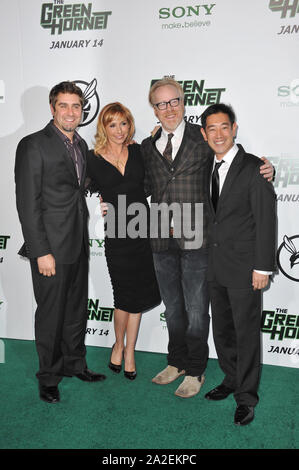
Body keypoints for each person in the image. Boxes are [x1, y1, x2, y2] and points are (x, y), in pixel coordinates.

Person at [141, 78, 274, 399]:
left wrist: (264, 167)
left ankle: (197, 370)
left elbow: (231, 161)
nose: (169, 108)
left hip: (199, 240)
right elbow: (141, 185)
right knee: (173, 309)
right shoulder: (147, 146)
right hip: (161, 240)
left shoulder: (204, 139)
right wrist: (107, 197)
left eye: (174, 101)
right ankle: (177, 361)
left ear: (183, 103)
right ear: (154, 109)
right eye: (162, 103)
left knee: (198, 310)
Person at [15, 81, 106, 404]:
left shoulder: (80, 145)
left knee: (75, 310)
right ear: (52, 108)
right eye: (64, 106)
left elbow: (82, 182)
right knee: (51, 314)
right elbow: (28, 204)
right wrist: (41, 251)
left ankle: (74, 364)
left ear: (82, 110)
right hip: (50, 248)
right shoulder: (33, 145)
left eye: (76, 106)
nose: (71, 112)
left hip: (78, 242)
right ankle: (49, 377)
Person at [200, 103, 276, 425]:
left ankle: (246, 398)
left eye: (223, 127)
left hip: (246, 268)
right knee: (223, 330)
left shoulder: (254, 168)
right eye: (211, 129)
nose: (218, 134)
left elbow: (266, 220)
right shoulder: (206, 165)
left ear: (234, 129)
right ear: (204, 134)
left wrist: (263, 267)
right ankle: (231, 379)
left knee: (245, 334)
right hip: (214, 266)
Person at [86, 102, 161, 380]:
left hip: (142, 230)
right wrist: (98, 207)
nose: (119, 130)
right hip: (117, 234)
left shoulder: (140, 151)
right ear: (104, 127)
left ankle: (130, 351)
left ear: (130, 124)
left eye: (124, 123)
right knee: (123, 297)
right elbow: (76, 187)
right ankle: (118, 344)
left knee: (139, 296)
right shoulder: (92, 158)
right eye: (113, 124)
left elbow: (158, 173)